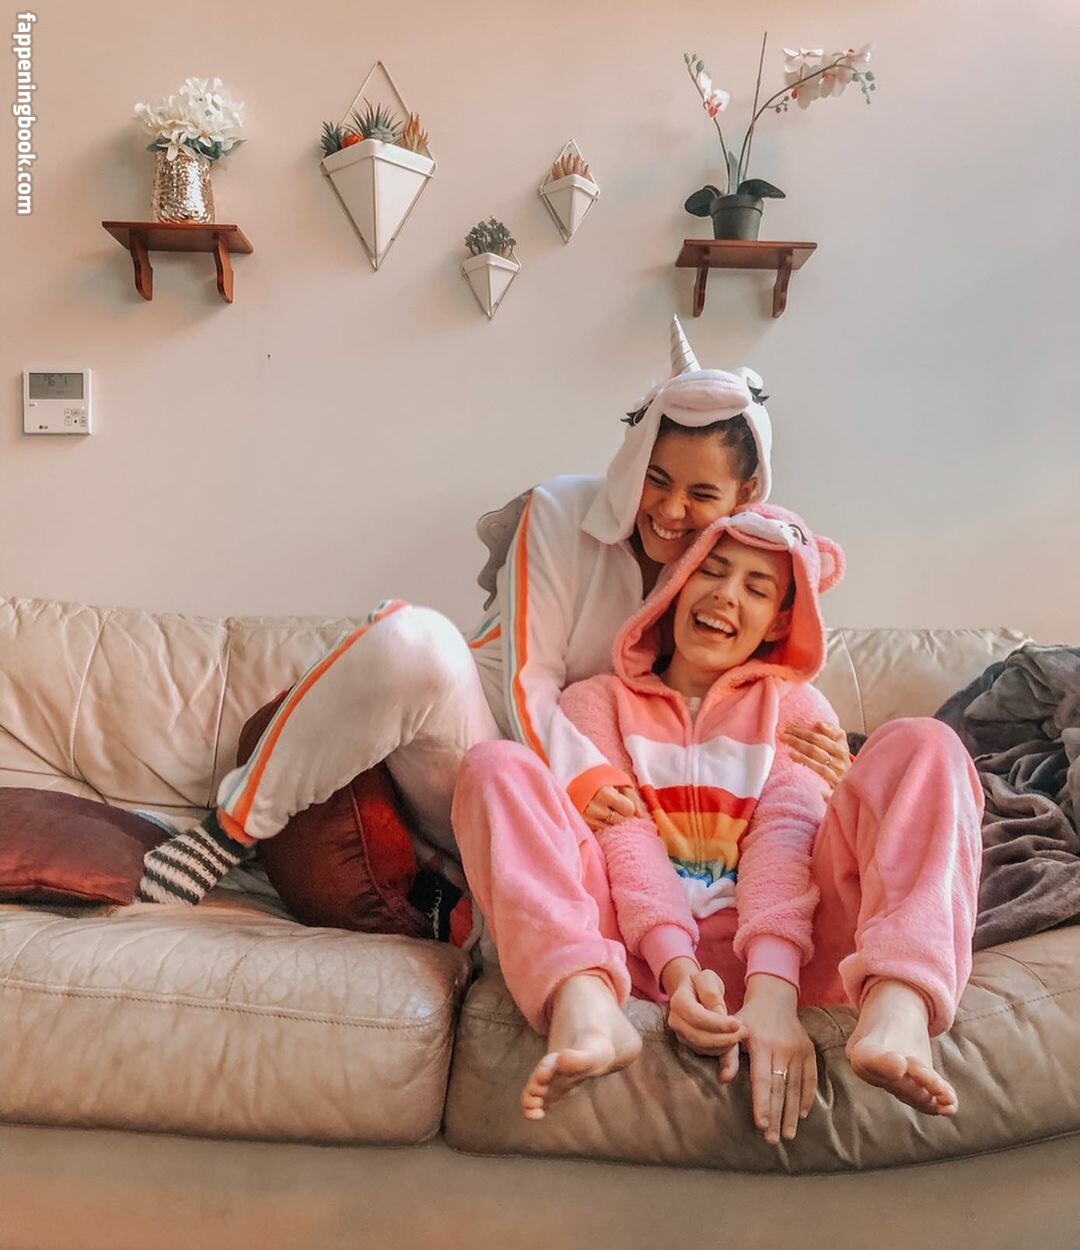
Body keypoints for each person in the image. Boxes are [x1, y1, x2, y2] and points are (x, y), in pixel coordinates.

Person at [134, 320, 849, 909]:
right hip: (482, 760)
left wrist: (839, 759)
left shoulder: (737, 576)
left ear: (745, 494)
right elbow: (528, 681)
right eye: (655, 479)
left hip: (617, 828)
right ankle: (231, 827)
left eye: (701, 495)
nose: (668, 509)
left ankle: (467, 902)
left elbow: (763, 694)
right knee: (415, 640)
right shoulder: (562, 511)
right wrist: (584, 778)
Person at [451, 507, 984, 1144]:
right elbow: (624, 838)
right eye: (712, 571)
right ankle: (584, 1005)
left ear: (780, 621)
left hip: (796, 954)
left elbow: (787, 835)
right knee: (495, 765)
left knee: (927, 742)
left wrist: (772, 992)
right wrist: (677, 971)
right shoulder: (594, 702)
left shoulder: (796, 705)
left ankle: (899, 1005)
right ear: (677, 585)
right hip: (632, 953)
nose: (726, 595)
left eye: (756, 589)